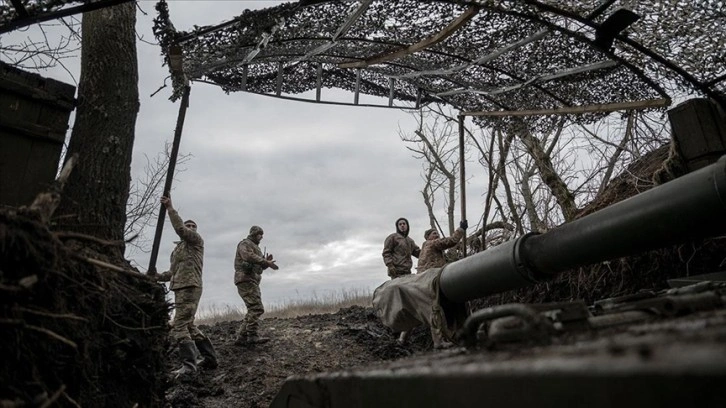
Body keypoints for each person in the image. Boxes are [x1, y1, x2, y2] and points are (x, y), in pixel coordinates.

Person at [156, 195, 218, 378]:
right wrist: (155, 277)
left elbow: (181, 230)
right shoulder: (178, 251)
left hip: (191, 286)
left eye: (193, 226)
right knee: (188, 325)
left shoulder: (196, 241)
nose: (190, 228)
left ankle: (189, 367)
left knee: (179, 326)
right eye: (188, 225)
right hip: (180, 287)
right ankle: (210, 358)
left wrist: (170, 208)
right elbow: (171, 273)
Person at [234, 225, 279, 346]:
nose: (261, 237)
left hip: (252, 280)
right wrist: (264, 261)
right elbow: (247, 256)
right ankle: (252, 336)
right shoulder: (245, 244)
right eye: (259, 234)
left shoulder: (256, 248)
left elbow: (258, 268)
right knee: (257, 308)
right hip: (245, 279)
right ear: (254, 234)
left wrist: (265, 263)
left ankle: (242, 337)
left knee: (252, 308)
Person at [382, 217, 420, 344]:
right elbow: (386, 253)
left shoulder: (410, 241)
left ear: (407, 226)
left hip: (407, 272)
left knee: (408, 300)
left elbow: (418, 252)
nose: (402, 226)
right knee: (398, 299)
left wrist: (431, 250)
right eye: (400, 224)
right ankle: (395, 326)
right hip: (396, 272)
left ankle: (406, 327)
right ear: (397, 226)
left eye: (404, 224)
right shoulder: (393, 237)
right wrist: (390, 265)